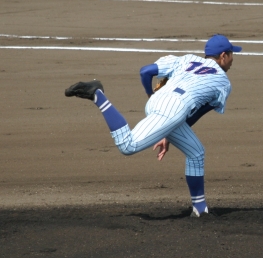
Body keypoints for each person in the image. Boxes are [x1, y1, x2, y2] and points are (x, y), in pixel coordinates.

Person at [64, 34, 242, 217]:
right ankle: (98, 96)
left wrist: (154, 101)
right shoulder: (223, 82)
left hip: (158, 101)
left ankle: (200, 209)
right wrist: (169, 125)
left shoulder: (187, 59)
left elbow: (145, 72)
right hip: (175, 109)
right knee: (128, 145)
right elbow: (196, 114)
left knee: (196, 152)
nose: (232, 60)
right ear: (223, 56)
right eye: (231, 54)